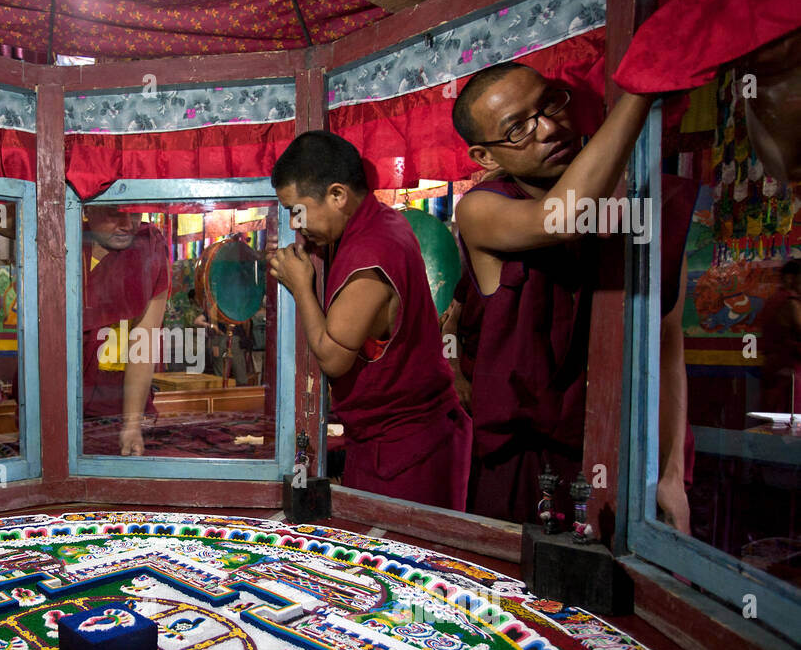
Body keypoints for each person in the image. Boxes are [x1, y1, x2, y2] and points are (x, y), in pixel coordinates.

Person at [449, 62, 697, 528]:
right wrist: (641, 91)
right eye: (519, 128)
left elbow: (666, 351)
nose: (549, 128)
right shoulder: (481, 209)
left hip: (625, 457)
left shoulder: (646, 210)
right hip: (525, 469)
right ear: (485, 157)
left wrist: (671, 474)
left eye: (550, 104)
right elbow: (562, 218)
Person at [268, 130, 471, 509]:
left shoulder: (370, 256)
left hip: (405, 449)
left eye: (298, 210)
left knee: (397, 562)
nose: (296, 224)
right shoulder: (381, 221)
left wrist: (301, 287)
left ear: (337, 195)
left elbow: (333, 358)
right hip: (397, 439)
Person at [81, 204, 169, 455]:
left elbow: (144, 340)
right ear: (89, 209)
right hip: (60, 400)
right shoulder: (61, 241)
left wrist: (132, 424)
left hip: (119, 404)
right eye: (115, 213)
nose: (128, 224)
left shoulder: (148, 247)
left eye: (136, 214)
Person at [760, 259, 801, 415]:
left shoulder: (772, 300)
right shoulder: (790, 303)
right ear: (790, 278)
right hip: (791, 374)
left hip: (773, 370)